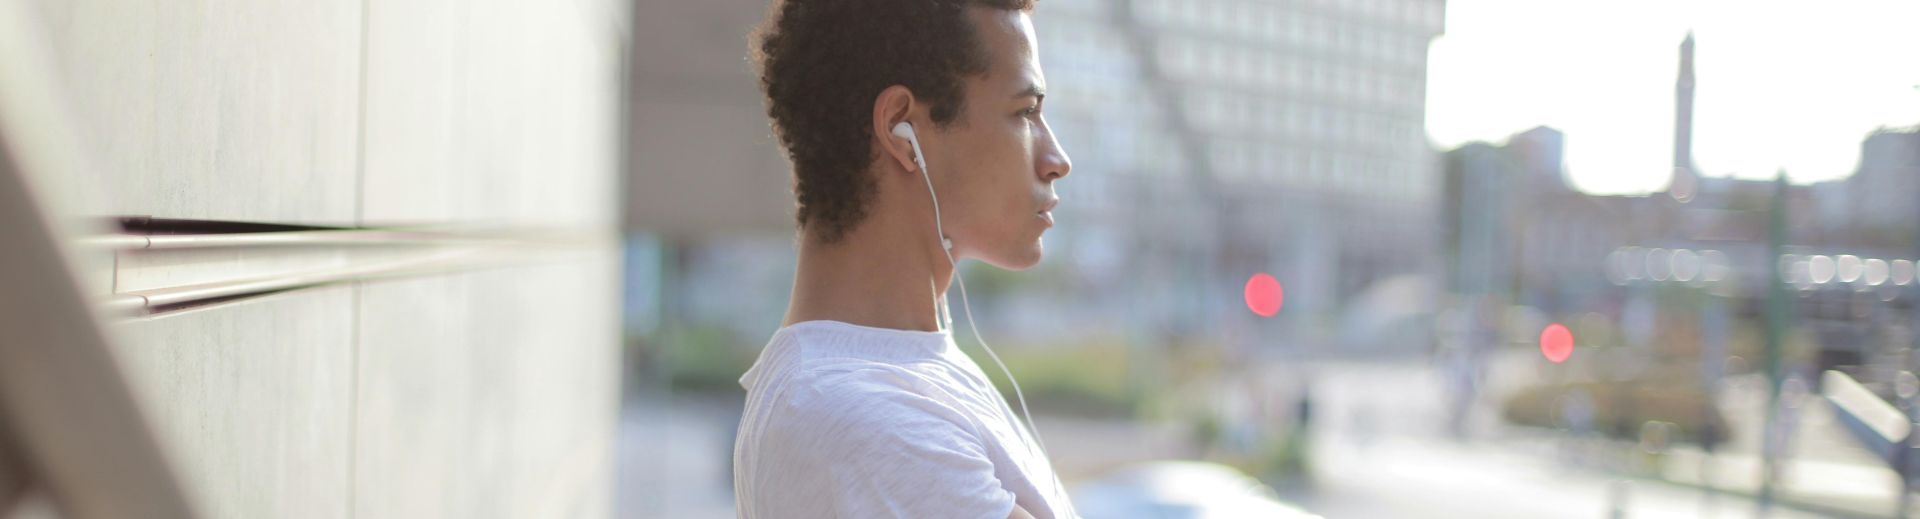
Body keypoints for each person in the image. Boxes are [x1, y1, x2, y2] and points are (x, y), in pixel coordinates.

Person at [730, 0, 1075, 517]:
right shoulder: (856, 416)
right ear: (901, 131)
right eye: (1025, 112)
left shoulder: (897, 373)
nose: (1056, 160)